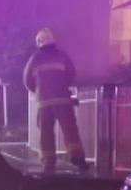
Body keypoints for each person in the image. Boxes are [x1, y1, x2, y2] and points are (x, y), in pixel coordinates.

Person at [23, 28, 90, 173]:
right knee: (70, 129)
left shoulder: (34, 59)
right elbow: (71, 74)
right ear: (53, 40)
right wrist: (62, 86)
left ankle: (48, 163)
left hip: (44, 102)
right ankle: (76, 156)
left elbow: (27, 80)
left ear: (39, 43)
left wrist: (39, 91)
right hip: (62, 100)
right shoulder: (62, 56)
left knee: (45, 132)